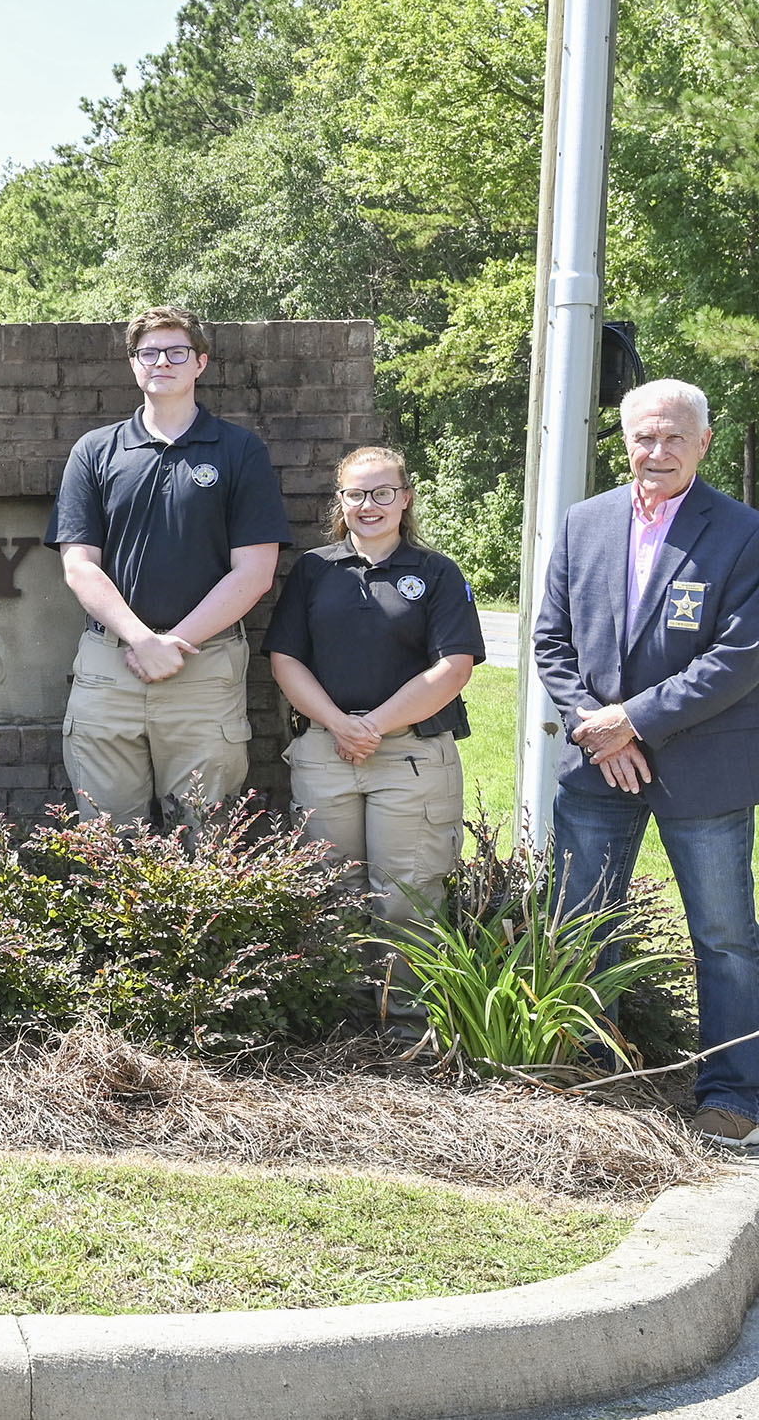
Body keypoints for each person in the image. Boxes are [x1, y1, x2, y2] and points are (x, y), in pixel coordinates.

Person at [534, 377, 759, 1149]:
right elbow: (551, 642)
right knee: (582, 924)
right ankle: (593, 1077)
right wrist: (600, 731)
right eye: (642, 436)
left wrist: (634, 720)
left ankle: (731, 1094)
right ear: (623, 441)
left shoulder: (742, 530)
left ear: (703, 441)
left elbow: (740, 655)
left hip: (704, 768)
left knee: (725, 938)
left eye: (672, 436)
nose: (655, 450)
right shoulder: (584, 521)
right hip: (599, 767)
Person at [45, 306, 293, 827]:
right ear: (133, 365)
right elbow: (80, 565)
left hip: (205, 667)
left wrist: (174, 643)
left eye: (177, 352)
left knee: (205, 836)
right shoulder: (95, 451)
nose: (163, 362)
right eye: (149, 353)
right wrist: (142, 642)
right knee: (106, 837)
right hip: (110, 665)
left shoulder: (239, 451)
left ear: (200, 362)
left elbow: (254, 572)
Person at [265, 445, 484, 1010]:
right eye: (357, 493)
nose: (370, 504)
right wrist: (340, 725)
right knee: (329, 892)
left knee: (406, 896)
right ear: (341, 501)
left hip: (410, 758)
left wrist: (373, 727)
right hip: (325, 752)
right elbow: (286, 659)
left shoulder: (437, 572)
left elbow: (453, 667)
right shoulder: (314, 570)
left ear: (405, 498)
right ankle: (342, 1024)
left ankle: (408, 1027)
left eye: (384, 492)